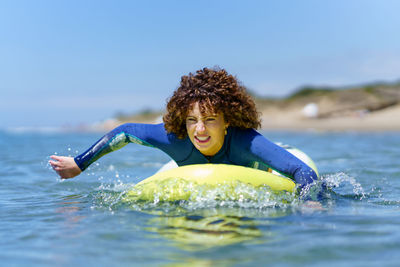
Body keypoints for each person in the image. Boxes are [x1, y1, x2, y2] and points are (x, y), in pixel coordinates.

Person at [49, 67, 318, 187]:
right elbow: (125, 132)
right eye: (192, 120)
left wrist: (311, 203)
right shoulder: (175, 138)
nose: (199, 130)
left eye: (210, 119)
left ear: (228, 122)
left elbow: (301, 171)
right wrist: (78, 163)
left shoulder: (245, 141)